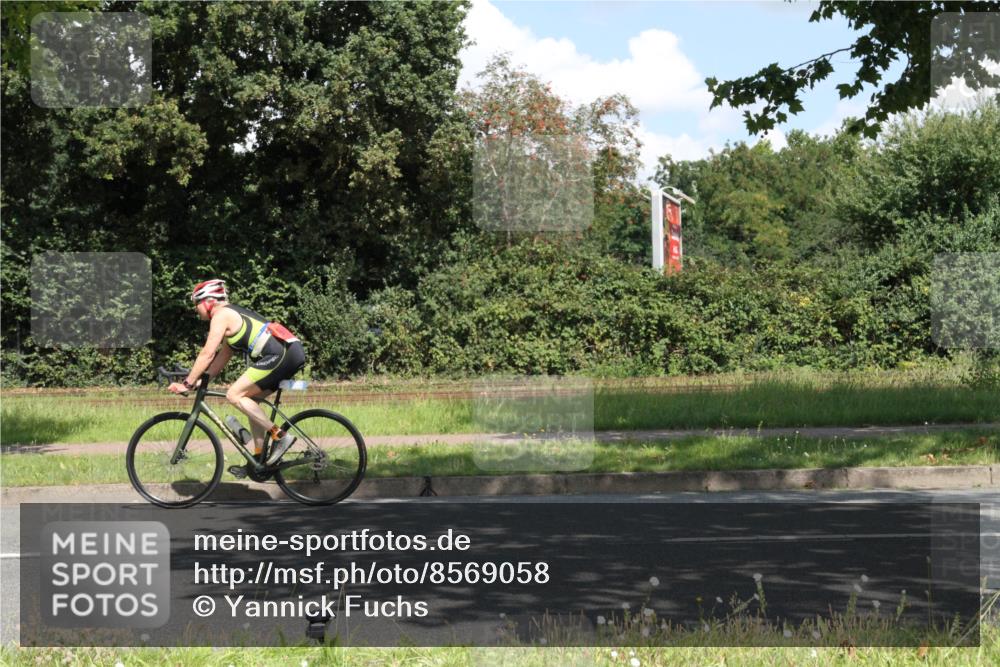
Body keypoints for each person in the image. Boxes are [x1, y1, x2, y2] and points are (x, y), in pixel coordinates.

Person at [167, 279, 305, 469]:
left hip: (281, 354)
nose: (195, 308)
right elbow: (221, 358)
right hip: (289, 352)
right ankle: (259, 457)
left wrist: (187, 384)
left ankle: (280, 436)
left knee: (234, 395)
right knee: (251, 400)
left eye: (196, 303)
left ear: (208, 301)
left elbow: (207, 354)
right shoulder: (230, 316)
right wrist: (201, 382)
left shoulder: (222, 315)